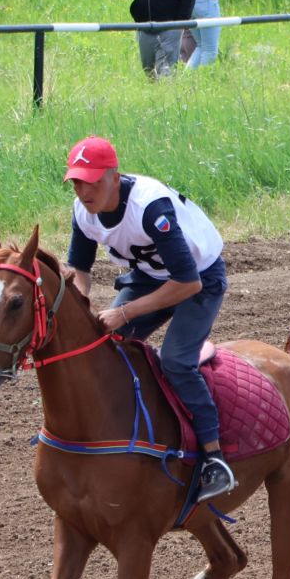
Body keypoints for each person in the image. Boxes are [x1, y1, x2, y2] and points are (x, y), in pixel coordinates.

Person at [62, 135, 235, 504]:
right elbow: (79, 269)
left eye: (91, 180)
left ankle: (214, 459)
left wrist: (124, 311)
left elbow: (187, 283)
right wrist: (81, 305)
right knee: (101, 344)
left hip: (199, 280)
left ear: (114, 176)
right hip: (149, 276)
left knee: (175, 361)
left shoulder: (149, 208)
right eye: (76, 181)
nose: (83, 190)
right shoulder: (82, 212)